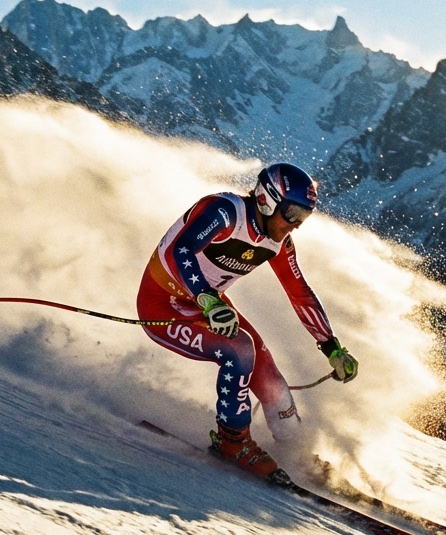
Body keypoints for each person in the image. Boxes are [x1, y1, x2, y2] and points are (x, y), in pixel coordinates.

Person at [136, 163, 358, 482]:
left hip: (208, 305)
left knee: (269, 375)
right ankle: (233, 442)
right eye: (292, 213)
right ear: (267, 200)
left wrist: (332, 347)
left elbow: (300, 293)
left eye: (304, 217)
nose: (296, 225)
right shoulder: (225, 212)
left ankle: (296, 450)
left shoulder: (278, 242)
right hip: (162, 305)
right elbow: (179, 250)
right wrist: (206, 297)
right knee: (240, 350)